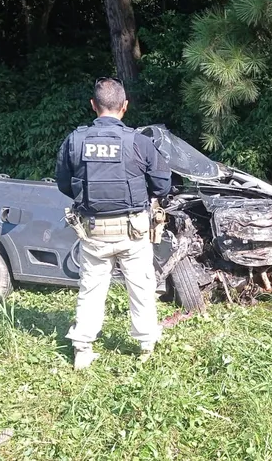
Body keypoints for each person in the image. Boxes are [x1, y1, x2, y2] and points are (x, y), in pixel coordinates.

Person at [55, 77, 171, 369]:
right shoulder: (140, 142)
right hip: (133, 232)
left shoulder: (75, 140)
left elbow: (64, 184)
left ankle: (82, 349)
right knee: (142, 287)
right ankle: (146, 346)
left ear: (94, 106)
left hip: (94, 231)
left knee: (91, 289)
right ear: (125, 106)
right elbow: (162, 184)